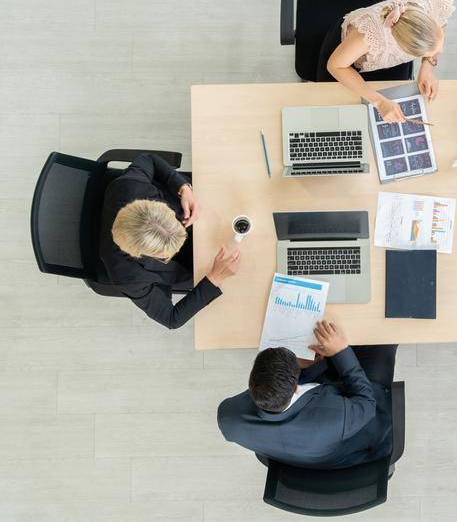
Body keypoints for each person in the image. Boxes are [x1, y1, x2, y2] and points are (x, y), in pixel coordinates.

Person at [217, 321, 398, 469]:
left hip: (312, 442)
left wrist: (305, 368)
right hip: (362, 417)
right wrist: (341, 351)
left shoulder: (229, 419)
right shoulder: (335, 416)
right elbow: (366, 403)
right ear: (296, 388)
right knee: (384, 331)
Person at [100, 154, 240, 329]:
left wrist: (184, 189)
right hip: (188, 266)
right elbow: (172, 319)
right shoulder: (128, 277)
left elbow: (148, 159)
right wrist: (214, 278)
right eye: (166, 254)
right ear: (141, 254)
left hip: (198, 215)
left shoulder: (130, 187)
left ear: (156, 206)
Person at [324, 0, 456, 123]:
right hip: (347, 55)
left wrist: (427, 67)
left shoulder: (431, 4)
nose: (441, 52)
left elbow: (441, 26)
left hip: (383, 59)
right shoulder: (368, 37)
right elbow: (335, 66)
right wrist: (379, 102)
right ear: (406, 50)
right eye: (432, 53)